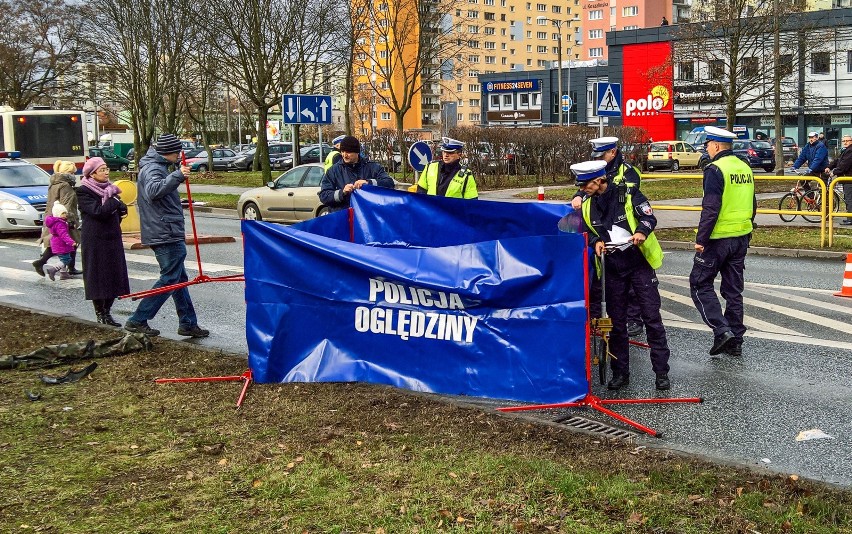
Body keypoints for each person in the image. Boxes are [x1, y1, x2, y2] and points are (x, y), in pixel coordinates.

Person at [572, 160, 671, 391]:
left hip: (638, 263)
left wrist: (641, 232)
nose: (581, 189)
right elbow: (587, 230)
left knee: (651, 319)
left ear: (598, 181)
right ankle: (620, 372)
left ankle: (661, 373)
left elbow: (649, 217)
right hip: (613, 267)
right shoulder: (588, 204)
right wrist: (596, 242)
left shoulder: (629, 194)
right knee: (616, 324)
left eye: (585, 185)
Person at [124, 134, 209, 338]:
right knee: (170, 278)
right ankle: (138, 319)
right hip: (165, 232)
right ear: (170, 152)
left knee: (179, 279)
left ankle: (188, 323)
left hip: (164, 229)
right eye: (178, 152)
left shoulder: (156, 166)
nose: (180, 157)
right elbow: (154, 191)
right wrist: (178, 176)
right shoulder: (154, 168)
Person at [689, 126, 756, 358]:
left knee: (699, 283)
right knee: (733, 291)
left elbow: (711, 208)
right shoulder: (744, 167)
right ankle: (736, 341)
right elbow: (752, 203)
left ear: (716, 146)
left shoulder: (715, 169)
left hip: (718, 239)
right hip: (741, 237)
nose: (707, 148)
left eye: (708, 144)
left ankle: (722, 330)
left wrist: (701, 239)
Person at [572, 137, 643, 336]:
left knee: (631, 284)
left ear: (612, 152)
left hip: (625, 233)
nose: (598, 159)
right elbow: (585, 191)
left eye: (602, 155)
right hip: (603, 231)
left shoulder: (628, 172)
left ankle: (633, 320)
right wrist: (577, 197)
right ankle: (601, 320)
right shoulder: (595, 171)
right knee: (601, 280)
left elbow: (628, 196)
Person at [76, 157, 130, 326]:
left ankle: (108, 311)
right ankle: (100, 313)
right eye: (102, 170)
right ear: (92, 174)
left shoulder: (110, 189)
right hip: (95, 239)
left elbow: (121, 208)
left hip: (112, 237)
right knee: (98, 276)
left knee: (115, 275)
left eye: (107, 169)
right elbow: (97, 211)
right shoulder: (83, 191)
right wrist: (114, 202)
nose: (106, 172)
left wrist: (119, 206)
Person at [319, 135, 395, 213]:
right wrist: (342, 192)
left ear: (357, 152)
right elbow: (324, 196)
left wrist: (368, 183)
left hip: (368, 219)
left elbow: (389, 183)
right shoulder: (333, 171)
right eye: (342, 151)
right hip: (343, 220)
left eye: (348, 152)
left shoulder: (373, 167)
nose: (344, 155)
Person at [33, 160, 81, 277]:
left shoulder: (54, 183)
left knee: (56, 242)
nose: (73, 175)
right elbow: (67, 204)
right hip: (63, 218)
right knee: (71, 242)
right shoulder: (65, 185)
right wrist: (69, 219)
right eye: (71, 172)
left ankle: (67, 267)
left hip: (52, 216)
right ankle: (43, 263)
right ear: (66, 173)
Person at [42, 202, 77, 281]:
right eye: (63, 213)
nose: (65, 215)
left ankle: (64, 274)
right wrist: (72, 242)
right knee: (66, 259)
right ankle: (53, 269)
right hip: (61, 244)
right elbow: (63, 234)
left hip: (58, 243)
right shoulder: (59, 223)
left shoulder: (58, 221)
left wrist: (70, 226)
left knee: (64, 258)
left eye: (65, 213)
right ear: (57, 214)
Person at [826, 135, 852, 225]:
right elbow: (838, 161)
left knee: (849, 199)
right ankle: (849, 217)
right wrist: (829, 167)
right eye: (843, 141)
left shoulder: (850, 151)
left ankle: (850, 219)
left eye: (847, 141)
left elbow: (844, 165)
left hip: (849, 178)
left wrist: (834, 172)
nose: (845, 142)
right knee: (848, 198)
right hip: (846, 178)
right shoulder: (846, 150)